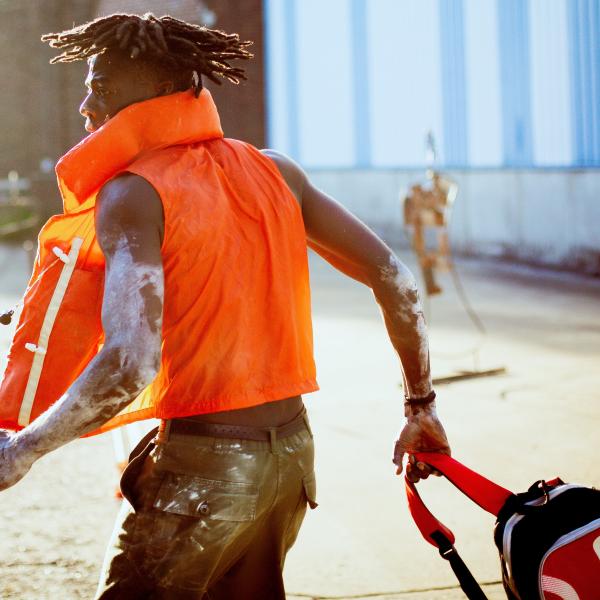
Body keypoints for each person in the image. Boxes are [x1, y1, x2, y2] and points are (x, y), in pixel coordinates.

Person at [0, 13, 450, 599]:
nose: (87, 106)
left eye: (102, 87)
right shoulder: (277, 172)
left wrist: (22, 450)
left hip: (203, 472)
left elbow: (130, 362)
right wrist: (421, 405)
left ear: (157, 96)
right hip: (290, 457)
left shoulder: (132, 192)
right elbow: (398, 282)